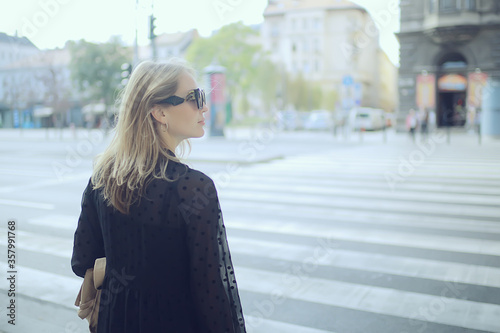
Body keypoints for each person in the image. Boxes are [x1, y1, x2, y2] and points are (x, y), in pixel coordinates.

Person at [71, 59, 246, 333]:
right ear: (159, 112)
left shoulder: (103, 177)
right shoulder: (193, 188)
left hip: (115, 320)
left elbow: (82, 259)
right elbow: (213, 297)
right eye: (194, 97)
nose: (204, 106)